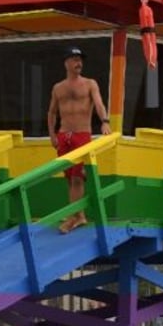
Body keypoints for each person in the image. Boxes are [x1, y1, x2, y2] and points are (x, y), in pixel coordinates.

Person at [47, 45, 112, 233]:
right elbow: (51, 112)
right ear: (66, 63)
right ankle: (80, 215)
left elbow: (99, 103)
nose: (79, 63)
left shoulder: (90, 83)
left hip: (81, 135)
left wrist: (105, 121)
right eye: (74, 59)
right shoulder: (58, 87)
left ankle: (71, 218)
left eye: (80, 60)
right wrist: (52, 134)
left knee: (77, 178)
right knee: (70, 178)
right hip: (63, 135)